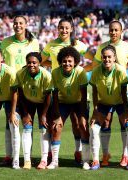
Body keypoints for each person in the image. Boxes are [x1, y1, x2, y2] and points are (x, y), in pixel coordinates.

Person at [85, 20, 128, 167]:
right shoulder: (102, 47)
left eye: (116, 30)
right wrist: (80, 70)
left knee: (124, 123)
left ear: (121, 31)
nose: (113, 32)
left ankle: (125, 156)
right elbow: (95, 65)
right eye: (111, 30)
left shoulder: (127, 47)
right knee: (106, 122)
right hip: (105, 93)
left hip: (123, 92)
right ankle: (105, 155)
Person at [41, 15, 94, 164]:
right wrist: (53, 67)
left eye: (66, 28)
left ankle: (78, 152)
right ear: (57, 29)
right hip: (58, 89)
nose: (64, 30)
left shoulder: (79, 45)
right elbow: (41, 61)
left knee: (78, 124)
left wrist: (83, 70)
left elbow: (95, 60)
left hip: (76, 90)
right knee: (54, 123)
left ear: (71, 29)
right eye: (61, 27)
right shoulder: (51, 45)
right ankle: (51, 155)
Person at [0, 15, 40, 166]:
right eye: (15, 23)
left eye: (20, 23)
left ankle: (27, 157)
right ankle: (9, 156)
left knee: (28, 121)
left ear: (26, 25)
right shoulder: (5, 42)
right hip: (11, 88)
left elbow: (36, 63)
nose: (17, 25)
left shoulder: (33, 42)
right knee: (10, 121)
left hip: (28, 88)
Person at [89, 45, 128, 171]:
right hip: (103, 103)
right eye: (104, 57)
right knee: (94, 128)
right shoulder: (96, 71)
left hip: (120, 102)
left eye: (109, 57)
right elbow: (94, 92)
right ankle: (96, 160)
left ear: (114, 58)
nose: (107, 60)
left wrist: (127, 112)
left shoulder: (120, 71)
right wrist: (95, 111)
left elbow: (124, 93)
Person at [48, 46, 90, 170]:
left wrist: (83, 116)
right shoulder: (55, 72)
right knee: (56, 127)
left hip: (79, 102)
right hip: (63, 102)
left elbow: (83, 96)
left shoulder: (80, 72)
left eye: (70, 61)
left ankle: (84, 159)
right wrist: (56, 115)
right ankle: (55, 161)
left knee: (81, 126)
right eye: (64, 61)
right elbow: (54, 95)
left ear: (75, 62)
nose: (67, 63)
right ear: (60, 61)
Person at [16, 52, 52, 170]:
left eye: (34, 62)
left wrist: (44, 115)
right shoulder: (20, 74)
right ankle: (27, 160)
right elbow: (20, 94)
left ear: (39, 63)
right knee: (27, 127)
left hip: (43, 103)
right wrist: (25, 113)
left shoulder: (46, 75)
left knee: (43, 128)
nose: (31, 65)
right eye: (29, 62)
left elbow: (48, 96)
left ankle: (44, 160)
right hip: (27, 102)